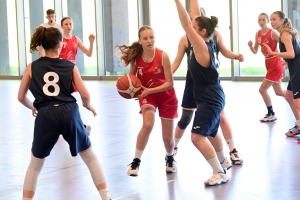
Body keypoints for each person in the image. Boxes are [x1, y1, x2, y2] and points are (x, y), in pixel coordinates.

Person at [18, 26, 110, 200]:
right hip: (68, 111)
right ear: (60, 44)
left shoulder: (31, 67)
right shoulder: (70, 66)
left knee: (35, 166)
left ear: (43, 45)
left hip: (45, 114)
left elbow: (20, 97)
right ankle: (106, 197)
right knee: (90, 158)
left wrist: (34, 107)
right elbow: (85, 94)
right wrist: (87, 105)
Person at [174, 0, 239, 186]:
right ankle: (224, 161)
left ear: (201, 32)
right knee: (211, 132)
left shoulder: (201, 47)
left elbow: (186, 23)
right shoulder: (207, 41)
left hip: (210, 98)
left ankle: (219, 172)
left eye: (195, 27)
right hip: (212, 95)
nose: (191, 27)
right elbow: (193, 15)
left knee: (196, 138)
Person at [115, 25, 178, 176]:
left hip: (166, 95)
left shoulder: (163, 56)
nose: (149, 40)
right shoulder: (136, 59)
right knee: (148, 124)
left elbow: (170, 83)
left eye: (151, 37)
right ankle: (136, 162)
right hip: (147, 96)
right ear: (140, 41)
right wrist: (124, 82)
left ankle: (170, 157)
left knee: (167, 140)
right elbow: (132, 79)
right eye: (145, 38)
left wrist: (151, 90)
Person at [263, 11, 300, 142]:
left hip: (298, 69)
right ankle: (299, 124)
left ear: (282, 21)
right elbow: (293, 53)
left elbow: (291, 54)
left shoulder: (284, 33)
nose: (271, 22)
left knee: (297, 101)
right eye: (271, 19)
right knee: (289, 96)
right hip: (294, 67)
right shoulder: (284, 33)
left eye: (274, 19)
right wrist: (286, 61)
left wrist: (273, 53)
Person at [59, 16, 96, 135]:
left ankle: (75, 125)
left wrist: (91, 42)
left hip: (73, 72)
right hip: (61, 73)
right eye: (66, 24)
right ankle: (77, 126)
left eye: (70, 24)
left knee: (68, 102)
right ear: (61, 26)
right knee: (65, 102)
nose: (68, 26)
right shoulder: (59, 40)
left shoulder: (76, 39)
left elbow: (89, 54)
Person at [248, 13, 286, 122]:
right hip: (268, 63)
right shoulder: (258, 34)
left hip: (275, 63)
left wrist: (285, 59)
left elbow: (284, 44)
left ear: (268, 21)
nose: (261, 22)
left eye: (264, 20)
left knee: (262, 89)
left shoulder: (272, 33)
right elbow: (255, 51)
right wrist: (250, 46)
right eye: (259, 20)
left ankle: (271, 113)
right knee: (279, 92)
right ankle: (295, 98)